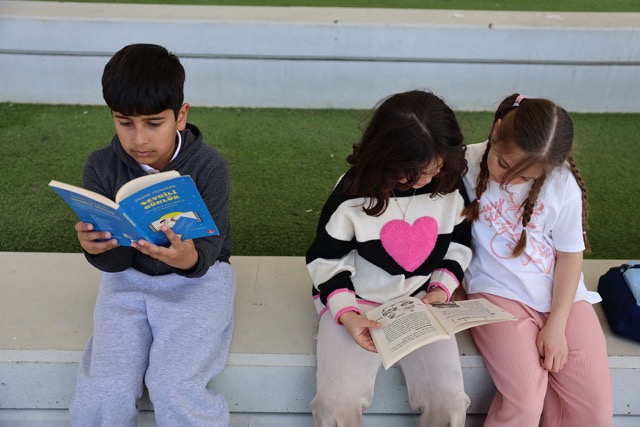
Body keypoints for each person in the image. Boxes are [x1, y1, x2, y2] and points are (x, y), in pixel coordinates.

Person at [68, 43, 235, 426]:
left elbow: (210, 250)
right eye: (124, 122)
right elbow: (115, 263)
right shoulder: (101, 166)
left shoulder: (209, 166)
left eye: (153, 123)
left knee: (173, 383)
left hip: (197, 282)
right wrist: (95, 248)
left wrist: (187, 258)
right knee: (105, 387)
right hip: (126, 280)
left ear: (181, 115)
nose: (139, 139)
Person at [306, 90, 472, 426]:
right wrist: (347, 314)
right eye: (414, 173)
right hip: (357, 304)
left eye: (435, 169)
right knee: (337, 403)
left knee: (450, 402)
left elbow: (458, 244)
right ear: (385, 156)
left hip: (423, 304)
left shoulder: (449, 186)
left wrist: (440, 289)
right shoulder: (351, 196)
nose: (426, 181)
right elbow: (326, 259)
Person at [461, 94, 613, 426]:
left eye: (525, 178)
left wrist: (557, 325)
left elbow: (570, 256)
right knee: (525, 402)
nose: (507, 180)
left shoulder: (562, 183)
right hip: (495, 294)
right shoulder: (463, 163)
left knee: (596, 407)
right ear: (496, 129)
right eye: (502, 164)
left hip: (564, 296)